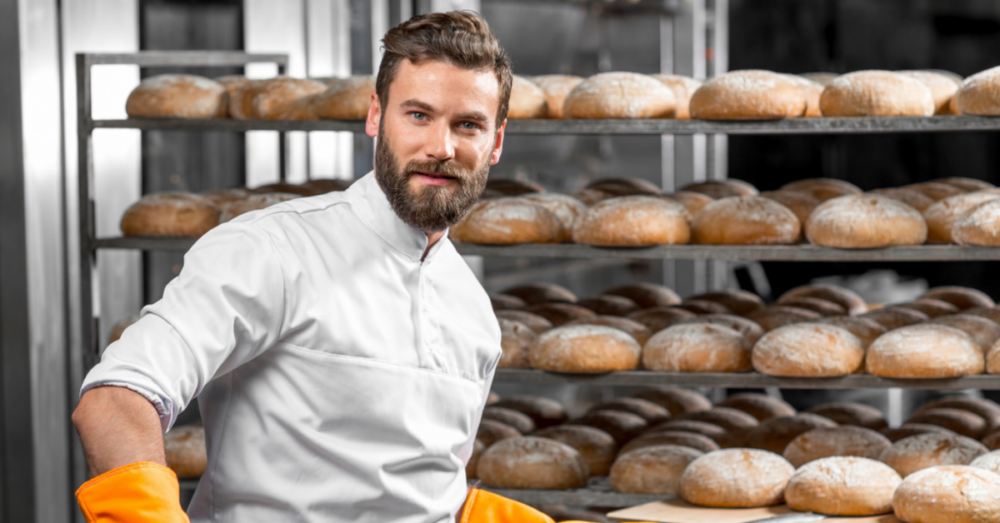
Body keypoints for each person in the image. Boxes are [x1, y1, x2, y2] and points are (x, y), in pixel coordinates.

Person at [72, 11, 558, 523]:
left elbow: (414, 483)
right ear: (376, 116)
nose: (441, 147)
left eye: (468, 125)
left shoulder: (472, 308)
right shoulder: (272, 250)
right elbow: (115, 399)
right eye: (418, 115)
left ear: (496, 143)